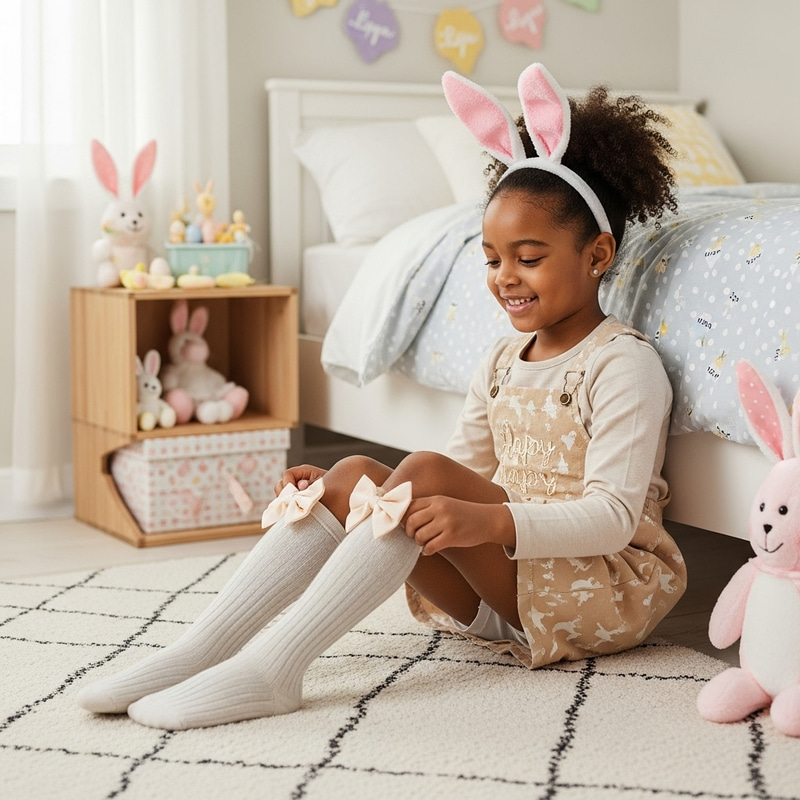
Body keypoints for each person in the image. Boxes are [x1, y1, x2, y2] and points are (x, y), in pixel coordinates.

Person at [77, 63, 687, 730]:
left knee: (418, 473)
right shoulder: (501, 360)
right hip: (506, 585)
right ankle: (201, 650)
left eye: (529, 258)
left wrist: (485, 523)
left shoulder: (622, 365)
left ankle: (274, 669)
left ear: (597, 255)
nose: (504, 278)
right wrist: (342, 499)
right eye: (492, 259)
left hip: (598, 591)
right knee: (351, 475)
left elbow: (612, 518)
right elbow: (460, 469)